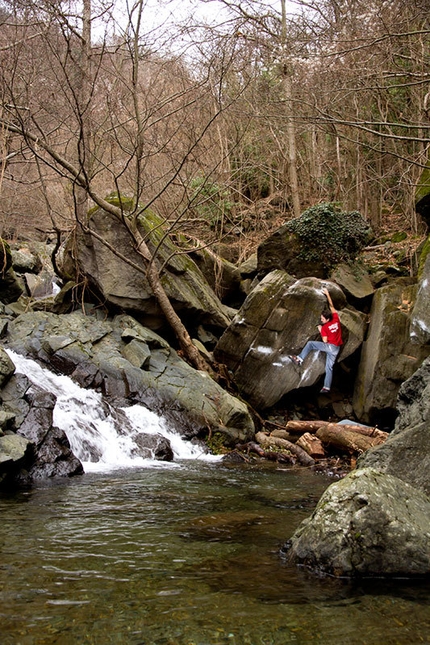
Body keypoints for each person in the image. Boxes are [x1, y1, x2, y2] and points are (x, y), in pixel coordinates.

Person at [289, 288, 343, 394]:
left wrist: (321, 329)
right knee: (329, 368)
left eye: (322, 319)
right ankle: (326, 387)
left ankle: (299, 359)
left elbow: (325, 340)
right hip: (336, 348)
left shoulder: (326, 327)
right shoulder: (336, 319)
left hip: (330, 346)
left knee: (310, 344)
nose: (321, 319)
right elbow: (332, 306)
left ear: (327, 320)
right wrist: (328, 294)